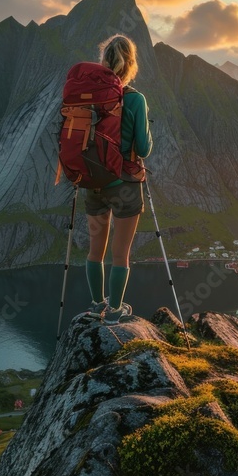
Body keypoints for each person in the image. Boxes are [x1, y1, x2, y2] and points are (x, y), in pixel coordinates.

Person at [82, 34, 152, 324]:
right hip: (125, 184)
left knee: (95, 250)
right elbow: (144, 148)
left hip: (94, 180)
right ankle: (114, 312)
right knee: (120, 254)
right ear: (130, 64)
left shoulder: (88, 98)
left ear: (104, 61)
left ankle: (96, 303)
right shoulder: (135, 99)